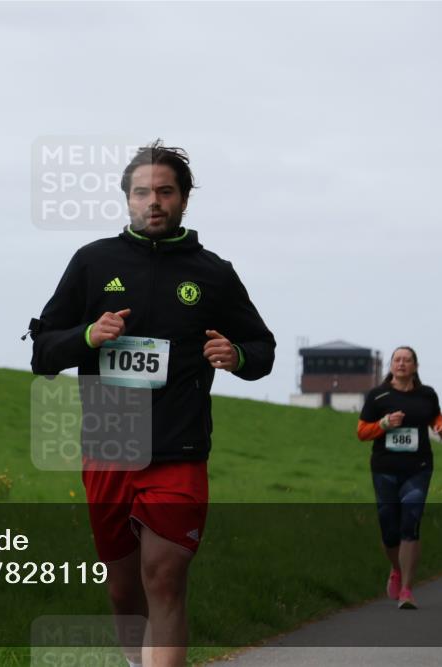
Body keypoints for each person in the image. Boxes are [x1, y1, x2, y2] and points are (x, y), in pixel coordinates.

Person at [29, 140, 275, 667]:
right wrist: (88, 337)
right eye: (142, 193)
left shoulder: (213, 273)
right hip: (109, 446)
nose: (153, 202)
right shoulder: (93, 263)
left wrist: (236, 354)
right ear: (127, 200)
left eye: (165, 191)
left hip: (178, 448)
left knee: (164, 577)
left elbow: (264, 349)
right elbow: (43, 352)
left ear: (184, 199)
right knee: (123, 592)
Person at [357, 346, 442, 610]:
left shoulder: (427, 394)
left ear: (415, 366)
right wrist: (384, 425)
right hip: (385, 468)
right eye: (397, 359)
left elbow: (435, 417)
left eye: (407, 360)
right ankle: (396, 569)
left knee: (411, 520)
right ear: (391, 365)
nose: (402, 364)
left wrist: (440, 426)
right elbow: (362, 432)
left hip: (418, 467)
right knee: (389, 528)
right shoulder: (378, 396)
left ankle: (407, 589)